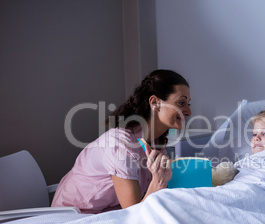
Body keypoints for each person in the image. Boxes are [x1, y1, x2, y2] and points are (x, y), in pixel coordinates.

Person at [52, 69, 192, 213]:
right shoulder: (120, 145)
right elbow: (134, 214)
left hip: (108, 213)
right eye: (181, 103)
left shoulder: (155, 144)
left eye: (188, 103)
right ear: (155, 102)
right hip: (74, 217)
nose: (189, 111)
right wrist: (159, 181)